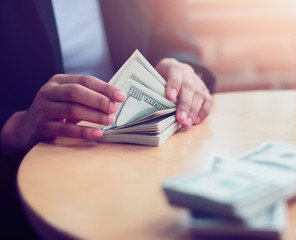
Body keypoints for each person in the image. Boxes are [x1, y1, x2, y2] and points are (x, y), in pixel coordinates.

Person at [0, 0, 216, 238]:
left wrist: (182, 69)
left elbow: (178, 44)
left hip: (142, 161)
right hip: (26, 174)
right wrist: (15, 125)